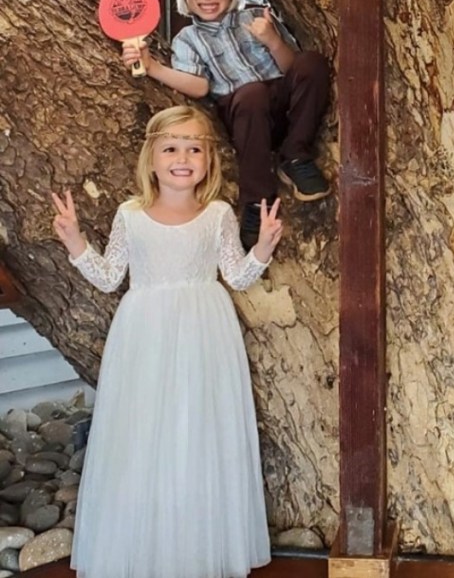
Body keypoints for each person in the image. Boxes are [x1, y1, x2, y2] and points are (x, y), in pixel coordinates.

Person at [51, 105, 282, 578]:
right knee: (145, 431)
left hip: (204, 334)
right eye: (171, 148)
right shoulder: (130, 215)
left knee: (198, 430)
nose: (183, 157)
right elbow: (110, 275)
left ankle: (196, 545)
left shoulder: (216, 214)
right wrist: (75, 241)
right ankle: (147, 545)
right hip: (146, 335)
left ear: (208, 160)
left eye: (194, 148)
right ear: (151, 158)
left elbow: (237, 277)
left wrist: (262, 248)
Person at [123, 0, 330, 249]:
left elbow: (292, 69)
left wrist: (273, 41)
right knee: (251, 95)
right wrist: (152, 67)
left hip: (283, 103)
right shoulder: (187, 40)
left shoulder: (256, 17)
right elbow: (199, 86)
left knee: (312, 63)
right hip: (246, 113)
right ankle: (257, 199)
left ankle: (296, 156)